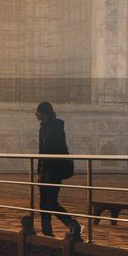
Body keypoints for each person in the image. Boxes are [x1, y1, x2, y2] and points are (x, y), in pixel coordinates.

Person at [35, 101, 81, 239]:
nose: (35, 114)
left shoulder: (56, 128)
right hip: (45, 170)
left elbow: (57, 150)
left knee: (51, 203)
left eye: (37, 111)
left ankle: (72, 224)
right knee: (43, 203)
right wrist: (39, 171)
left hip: (54, 170)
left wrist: (47, 170)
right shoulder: (43, 128)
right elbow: (41, 151)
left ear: (43, 113)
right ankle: (47, 231)